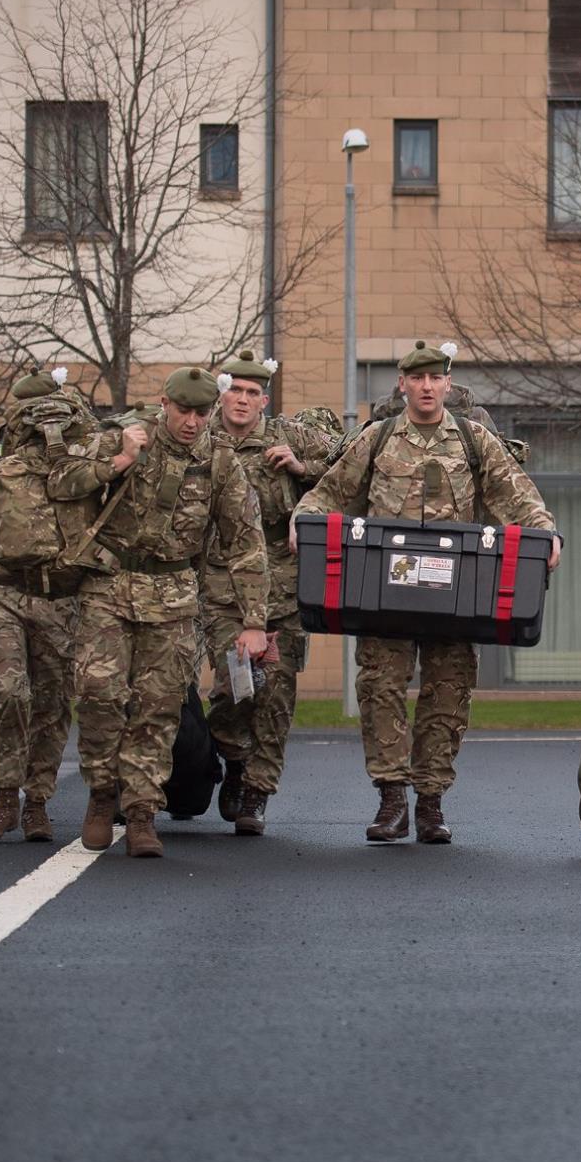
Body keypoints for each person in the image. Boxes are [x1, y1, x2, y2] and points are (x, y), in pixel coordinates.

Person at [292, 340, 560, 845]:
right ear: (403, 384)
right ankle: (392, 800)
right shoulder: (378, 437)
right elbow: (330, 491)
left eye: (436, 378)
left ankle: (431, 803)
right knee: (380, 691)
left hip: (455, 595)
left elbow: (518, 497)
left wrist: (547, 535)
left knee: (448, 695)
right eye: (417, 379)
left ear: (447, 384)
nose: (427, 387)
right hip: (384, 592)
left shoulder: (475, 439)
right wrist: (303, 520)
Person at [54, 367, 270, 859]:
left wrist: (254, 622)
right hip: (108, 587)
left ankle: (143, 813)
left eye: (202, 413)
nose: (192, 422)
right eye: (184, 411)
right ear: (164, 405)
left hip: (172, 594)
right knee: (99, 696)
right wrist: (119, 461)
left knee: (159, 707)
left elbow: (245, 543)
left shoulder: (219, 460)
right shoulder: (122, 435)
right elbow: (62, 482)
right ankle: (102, 792)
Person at [0, 368, 87, 844]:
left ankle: (38, 802)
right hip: (2, 592)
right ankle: (6, 795)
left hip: (61, 598)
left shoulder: (79, 461)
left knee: (51, 703)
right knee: (10, 691)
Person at [205, 352, 338, 836]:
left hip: (283, 589)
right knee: (234, 682)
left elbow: (353, 465)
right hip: (224, 588)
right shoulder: (202, 440)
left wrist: (303, 468)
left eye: (252, 393)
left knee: (276, 690)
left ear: (265, 399)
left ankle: (257, 791)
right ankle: (235, 757)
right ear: (221, 394)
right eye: (234, 391)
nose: (242, 400)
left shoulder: (289, 436)